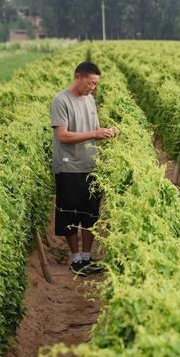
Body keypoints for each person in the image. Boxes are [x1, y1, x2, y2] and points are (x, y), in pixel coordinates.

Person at [50, 61, 117, 276]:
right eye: (90, 83)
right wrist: (95, 134)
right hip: (69, 167)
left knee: (90, 215)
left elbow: (94, 129)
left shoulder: (90, 100)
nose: (93, 88)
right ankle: (75, 259)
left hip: (91, 166)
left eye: (96, 84)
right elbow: (63, 136)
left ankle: (87, 257)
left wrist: (106, 132)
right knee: (71, 214)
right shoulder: (61, 101)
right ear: (78, 76)